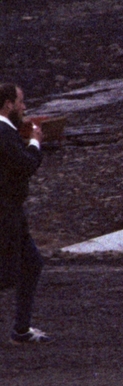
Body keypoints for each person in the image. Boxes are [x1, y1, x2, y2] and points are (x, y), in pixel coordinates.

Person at [0, 83, 47, 345]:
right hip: (5, 214)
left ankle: (21, 329)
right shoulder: (3, 133)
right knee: (7, 274)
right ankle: (20, 329)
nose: (23, 107)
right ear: (8, 104)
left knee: (30, 264)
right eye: (20, 101)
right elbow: (26, 165)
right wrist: (35, 142)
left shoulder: (6, 132)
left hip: (10, 213)